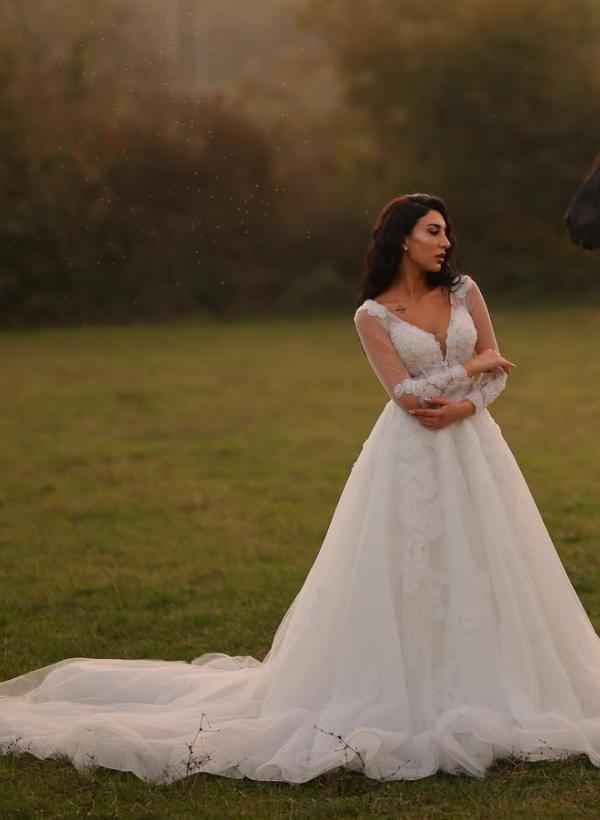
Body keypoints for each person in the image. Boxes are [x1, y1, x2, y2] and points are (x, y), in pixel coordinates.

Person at [1, 192, 600, 785]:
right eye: (433, 231)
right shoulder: (373, 315)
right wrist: (468, 371)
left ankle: (495, 680)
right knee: (413, 568)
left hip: (474, 448)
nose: (446, 243)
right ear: (401, 239)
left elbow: (497, 371)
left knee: (492, 563)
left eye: (446, 233)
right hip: (411, 455)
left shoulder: (465, 291)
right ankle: (407, 686)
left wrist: (466, 408)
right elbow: (404, 394)